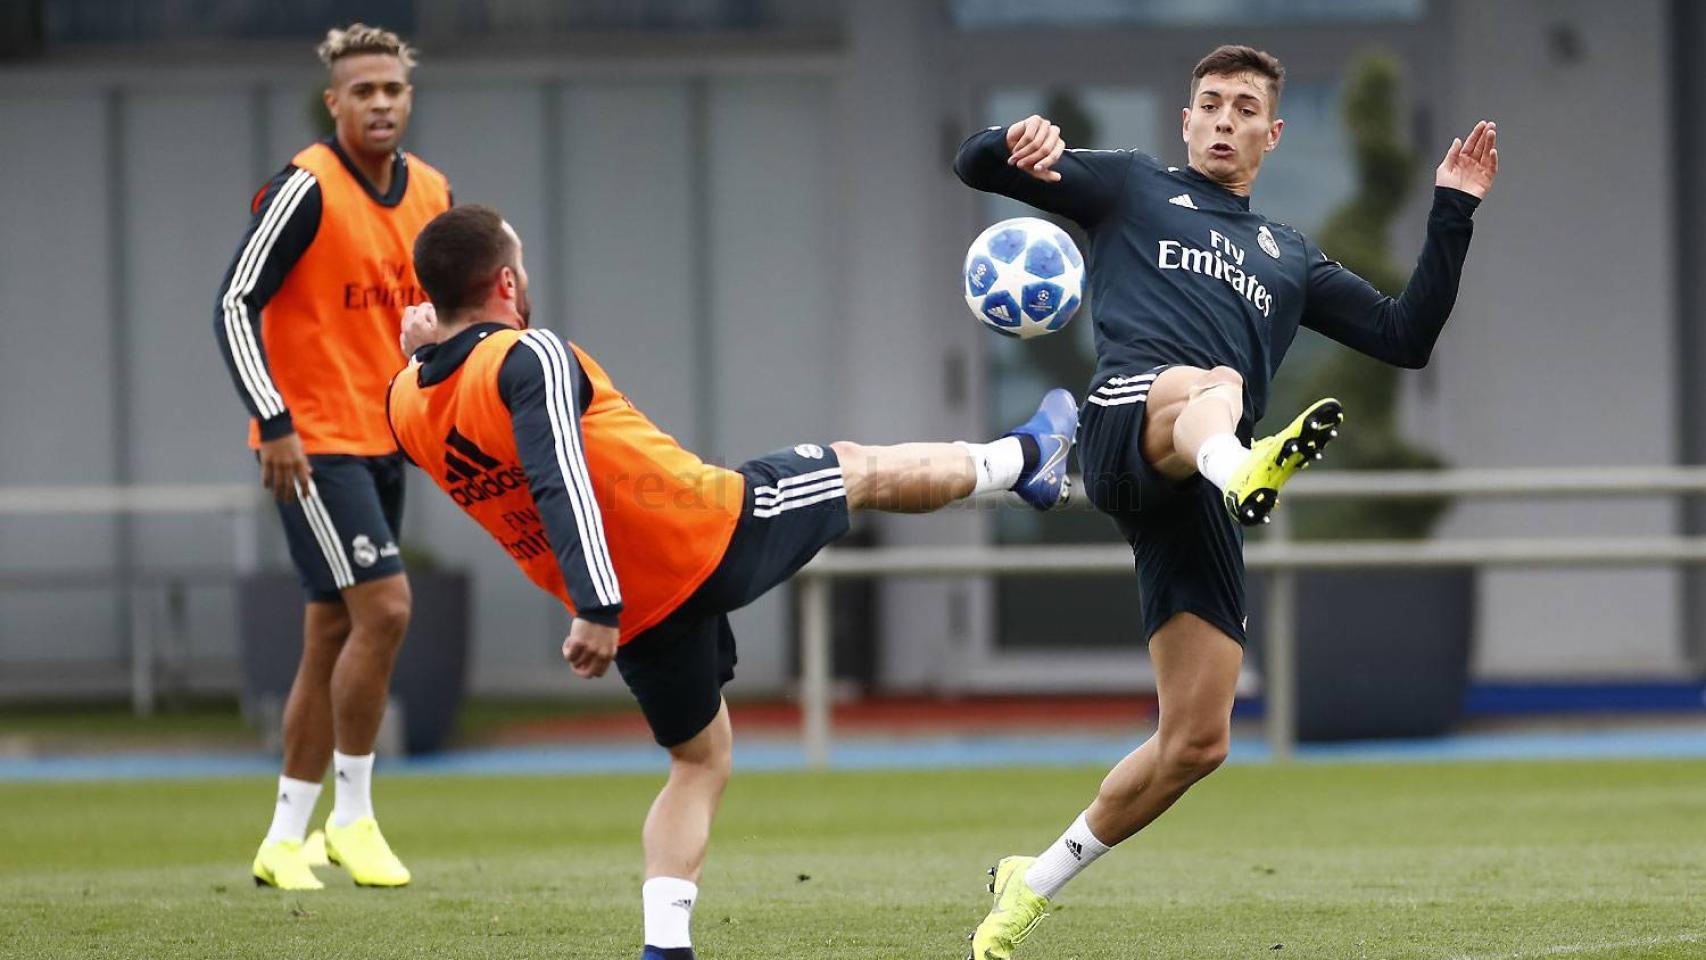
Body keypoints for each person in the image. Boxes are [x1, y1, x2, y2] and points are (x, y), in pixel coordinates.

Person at [385, 204, 1077, 960]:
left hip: (642, 610)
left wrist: (429, 351)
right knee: (855, 467)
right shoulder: (531, 356)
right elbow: (559, 477)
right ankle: (1023, 461)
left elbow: (473, 423)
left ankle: (665, 947)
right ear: (508, 280)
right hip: (705, 534)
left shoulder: (402, 402)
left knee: (698, 760)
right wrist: (594, 605)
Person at [953, 44, 1497, 958]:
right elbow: (975, 165)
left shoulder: (1289, 256)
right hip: (1130, 423)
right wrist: (1009, 138)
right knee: (1213, 382)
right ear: (1185, 119)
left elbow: (1406, 339)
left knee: (1199, 741)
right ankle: (1243, 467)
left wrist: (1453, 210)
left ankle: (1029, 883)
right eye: (1209, 103)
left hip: (1198, 483)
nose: (1223, 120)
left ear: (1272, 134)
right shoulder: (1129, 188)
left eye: (1245, 108)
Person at [213, 23, 451, 891]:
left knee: (329, 636)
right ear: (335, 102)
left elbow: (442, 316)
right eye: (364, 91)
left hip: (385, 438)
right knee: (385, 609)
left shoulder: (430, 191)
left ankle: (284, 839)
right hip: (314, 446)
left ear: (409, 97)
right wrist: (273, 421)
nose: (380, 102)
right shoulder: (305, 188)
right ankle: (352, 817)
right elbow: (236, 304)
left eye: (393, 88)